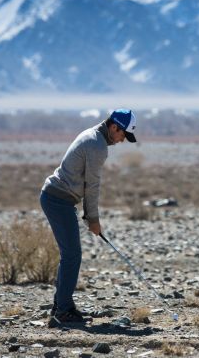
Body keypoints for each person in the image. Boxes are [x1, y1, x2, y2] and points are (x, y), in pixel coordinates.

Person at [40, 108, 137, 328]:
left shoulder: (93, 135)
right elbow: (92, 186)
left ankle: (61, 306)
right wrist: (93, 219)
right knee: (72, 255)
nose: (123, 140)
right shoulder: (97, 145)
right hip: (57, 200)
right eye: (123, 135)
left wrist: (89, 216)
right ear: (114, 127)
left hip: (58, 198)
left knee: (70, 254)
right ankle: (63, 311)